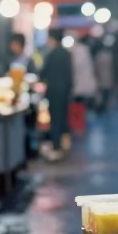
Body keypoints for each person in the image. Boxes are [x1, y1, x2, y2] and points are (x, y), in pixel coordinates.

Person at [40, 28, 73, 159]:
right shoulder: (66, 54)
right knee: (62, 118)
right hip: (64, 91)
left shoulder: (51, 54)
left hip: (53, 91)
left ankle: (56, 146)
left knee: (55, 120)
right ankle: (63, 144)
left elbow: (43, 73)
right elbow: (70, 75)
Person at [70, 34, 98, 110]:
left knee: (80, 106)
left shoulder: (79, 51)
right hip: (84, 84)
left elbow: (77, 66)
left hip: (80, 84)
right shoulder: (85, 51)